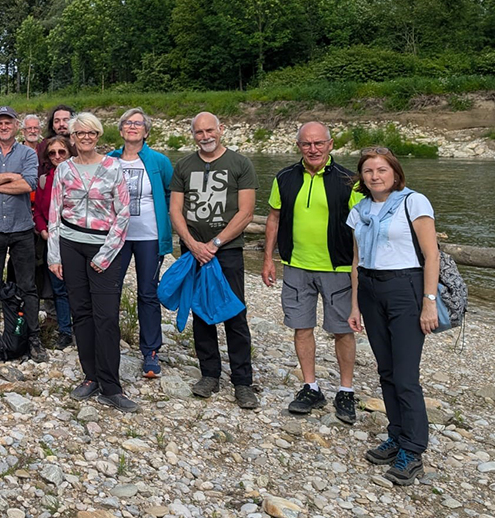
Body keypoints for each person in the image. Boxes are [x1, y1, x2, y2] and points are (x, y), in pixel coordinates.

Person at [347, 148, 439, 486]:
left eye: (381, 169)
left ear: (395, 173)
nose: (375, 176)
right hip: (371, 289)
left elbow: (432, 255)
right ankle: (397, 435)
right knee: (385, 370)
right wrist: (355, 305)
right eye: (368, 171)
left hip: (406, 288)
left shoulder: (414, 201)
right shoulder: (359, 210)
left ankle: (413, 451)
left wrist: (429, 302)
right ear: (361, 177)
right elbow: (357, 262)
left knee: (405, 374)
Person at [263, 122, 363, 423]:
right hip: (295, 266)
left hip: (339, 267)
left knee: (342, 330)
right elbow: (273, 218)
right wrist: (268, 258)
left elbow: (363, 228)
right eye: (307, 144)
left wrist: (363, 270)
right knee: (301, 326)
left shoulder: (351, 181)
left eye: (319, 143)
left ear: (331, 144)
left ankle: (346, 390)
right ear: (298, 146)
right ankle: (311, 386)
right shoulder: (284, 178)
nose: (313, 149)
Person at [45, 113, 135, 411]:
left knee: (106, 315)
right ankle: (90, 376)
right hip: (71, 245)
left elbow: (123, 213)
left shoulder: (113, 167)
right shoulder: (64, 170)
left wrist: (106, 253)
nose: (85, 137)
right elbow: (55, 213)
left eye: (91, 133)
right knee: (81, 312)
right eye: (79, 133)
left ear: (98, 135)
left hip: (104, 247)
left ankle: (111, 385)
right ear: (71, 136)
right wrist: (54, 254)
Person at [169, 112, 258, 409]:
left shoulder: (240, 164)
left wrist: (215, 243)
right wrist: (193, 245)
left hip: (227, 250)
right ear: (192, 134)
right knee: (201, 311)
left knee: (234, 313)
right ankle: (209, 374)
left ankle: (243, 382)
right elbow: (176, 211)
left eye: (210, 130)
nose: (205, 136)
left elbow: (245, 212)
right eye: (199, 132)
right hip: (194, 250)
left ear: (221, 129)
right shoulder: (184, 166)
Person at [0, 106, 46, 364]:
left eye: (8, 122)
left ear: (17, 126)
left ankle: (33, 338)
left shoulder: (28, 153)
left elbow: (28, 184)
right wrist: (8, 177)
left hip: (21, 229)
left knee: (28, 286)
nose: (3, 126)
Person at [107, 108, 173, 378]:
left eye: (138, 124)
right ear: (121, 130)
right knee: (109, 291)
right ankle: (106, 344)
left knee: (148, 292)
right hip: (116, 237)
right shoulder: (109, 160)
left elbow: (171, 194)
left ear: (146, 131)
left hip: (149, 236)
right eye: (127, 123)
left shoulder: (158, 161)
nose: (132, 127)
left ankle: (151, 351)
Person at [34, 135, 74, 348]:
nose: (57, 156)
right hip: (54, 239)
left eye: (62, 152)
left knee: (78, 286)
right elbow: (39, 211)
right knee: (59, 287)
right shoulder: (44, 179)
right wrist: (42, 230)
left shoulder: (79, 175)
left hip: (77, 237)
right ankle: (65, 331)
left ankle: (84, 327)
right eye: (52, 153)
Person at [38, 105, 75, 176]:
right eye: (57, 121)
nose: (61, 124)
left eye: (66, 120)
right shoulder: (43, 146)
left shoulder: (81, 145)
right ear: (52, 126)